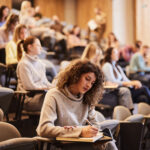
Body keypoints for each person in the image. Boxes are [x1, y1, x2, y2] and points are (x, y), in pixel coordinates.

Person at [37, 59, 117, 150]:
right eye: (87, 79)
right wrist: (80, 131)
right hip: (59, 145)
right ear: (76, 75)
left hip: (81, 144)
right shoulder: (53, 95)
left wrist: (92, 130)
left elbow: (95, 124)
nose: (89, 86)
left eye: (92, 83)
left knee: (109, 143)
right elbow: (43, 129)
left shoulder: (87, 98)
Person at [82, 43, 134, 110]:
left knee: (124, 94)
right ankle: (127, 115)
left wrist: (105, 83)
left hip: (100, 92)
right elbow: (91, 85)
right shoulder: (86, 67)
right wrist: (104, 84)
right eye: (96, 55)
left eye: (99, 55)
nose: (98, 58)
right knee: (121, 94)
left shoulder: (96, 66)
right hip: (94, 94)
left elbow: (98, 83)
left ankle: (127, 116)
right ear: (90, 54)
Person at [16, 36, 53, 111]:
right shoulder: (24, 64)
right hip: (29, 99)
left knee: (58, 93)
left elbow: (45, 82)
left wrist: (54, 87)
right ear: (30, 47)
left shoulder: (40, 63)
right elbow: (29, 86)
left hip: (40, 94)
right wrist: (45, 88)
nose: (41, 48)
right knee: (53, 98)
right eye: (38, 45)